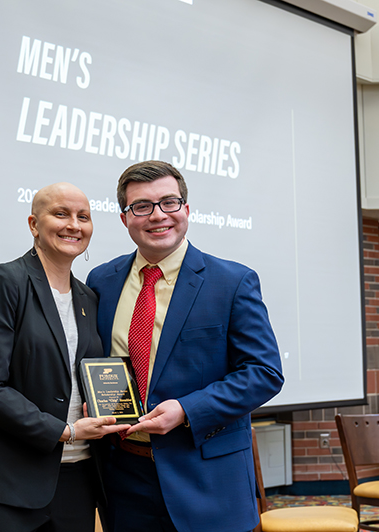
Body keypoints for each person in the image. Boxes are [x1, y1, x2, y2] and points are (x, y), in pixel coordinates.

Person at [86, 161, 285, 532]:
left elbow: (264, 373)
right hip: (123, 478)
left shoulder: (232, 281)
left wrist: (186, 409)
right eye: (142, 206)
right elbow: (99, 362)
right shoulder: (102, 281)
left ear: (187, 210)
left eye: (169, 203)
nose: (157, 215)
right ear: (124, 217)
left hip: (207, 479)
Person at [0, 182, 130, 532]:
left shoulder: (88, 297)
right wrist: (65, 431)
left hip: (77, 477)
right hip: (6, 482)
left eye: (83, 217)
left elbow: (85, 375)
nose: (73, 224)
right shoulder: (5, 281)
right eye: (60, 214)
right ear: (34, 224)